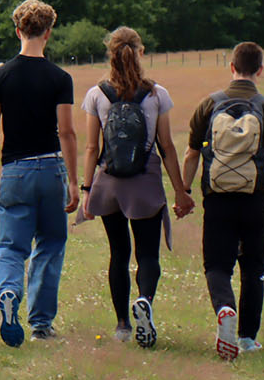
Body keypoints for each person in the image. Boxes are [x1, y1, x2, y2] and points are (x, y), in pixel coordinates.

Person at [77, 26, 194, 348]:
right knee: (147, 254)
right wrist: (181, 190)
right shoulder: (157, 94)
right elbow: (167, 146)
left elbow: (91, 148)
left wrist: (88, 191)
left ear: (109, 54)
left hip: (109, 183)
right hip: (145, 181)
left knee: (118, 253)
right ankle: (145, 301)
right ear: (140, 53)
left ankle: (122, 325)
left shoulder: (96, 94)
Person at [0, 0, 79, 346]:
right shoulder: (60, 78)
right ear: (48, 33)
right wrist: (74, 181)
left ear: (18, 30)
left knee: (10, 246)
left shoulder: (0, 76)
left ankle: (7, 292)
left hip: (15, 171)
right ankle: (41, 324)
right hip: (51, 168)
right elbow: (66, 132)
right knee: (50, 242)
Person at [181, 41, 264, 361]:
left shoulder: (209, 104)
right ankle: (246, 338)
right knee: (253, 267)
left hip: (217, 198)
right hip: (255, 198)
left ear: (231, 67)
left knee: (217, 265)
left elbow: (191, 153)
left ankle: (224, 308)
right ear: (260, 69)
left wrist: (184, 191)